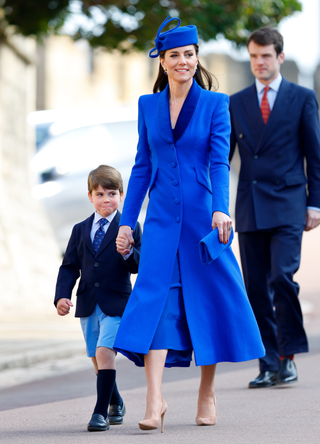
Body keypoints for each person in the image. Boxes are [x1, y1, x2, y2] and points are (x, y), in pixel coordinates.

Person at [114, 16, 265, 432]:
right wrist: (128, 222)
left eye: (189, 54)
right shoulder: (148, 105)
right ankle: (154, 399)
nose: (183, 61)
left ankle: (207, 392)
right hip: (161, 219)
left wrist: (221, 207)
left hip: (205, 219)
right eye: (175, 55)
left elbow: (219, 161)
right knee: (155, 303)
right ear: (162, 61)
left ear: (197, 59)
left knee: (209, 301)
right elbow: (143, 166)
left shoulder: (217, 105)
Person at [229, 27, 320, 389]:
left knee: (281, 278)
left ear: (280, 57)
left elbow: (315, 156)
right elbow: (223, 160)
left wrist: (315, 203)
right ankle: (267, 362)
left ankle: (289, 356)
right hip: (250, 204)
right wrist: (216, 205)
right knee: (254, 288)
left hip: (288, 203)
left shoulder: (302, 97)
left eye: (265, 56)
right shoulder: (235, 102)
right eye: (253, 56)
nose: (259, 63)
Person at [54, 165, 142, 431]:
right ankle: (116, 401)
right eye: (100, 194)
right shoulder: (80, 230)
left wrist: (128, 252)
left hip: (116, 302)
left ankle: (100, 412)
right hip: (87, 302)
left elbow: (139, 264)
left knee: (105, 353)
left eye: (112, 193)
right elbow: (69, 266)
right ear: (90, 196)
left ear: (122, 195)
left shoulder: (130, 226)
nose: (106, 200)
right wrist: (61, 296)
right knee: (96, 357)